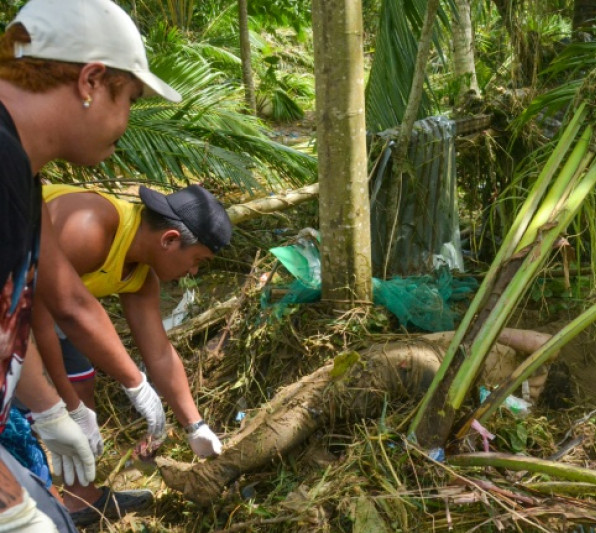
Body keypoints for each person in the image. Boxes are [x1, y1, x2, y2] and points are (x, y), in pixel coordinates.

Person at [0, 0, 182, 529]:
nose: (125, 121)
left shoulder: (22, 169)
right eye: (128, 99)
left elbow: (38, 309)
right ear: (90, 80)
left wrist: (51, 408)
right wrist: (11, 510)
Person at [158, 328, 554, 505]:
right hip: (429, 376)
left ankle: (210, 476)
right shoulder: (522, 402)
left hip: (420, 364)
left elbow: (540, 342)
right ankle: (224, 457)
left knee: (309, 407)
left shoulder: (536, 363)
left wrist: (498, 331)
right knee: (306, 400)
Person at [31, 183, 231, 525]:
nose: (194, 272)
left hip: (51, 305)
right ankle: (37, 512)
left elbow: (159, 352)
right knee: (22, 414)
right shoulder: (89, 228)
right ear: (169, 240)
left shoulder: (140, 275)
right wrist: (62, 408)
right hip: (20, 299)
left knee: (82, 379)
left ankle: (82, 500)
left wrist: (193, 424)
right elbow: (37, 315)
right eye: (197, 261)